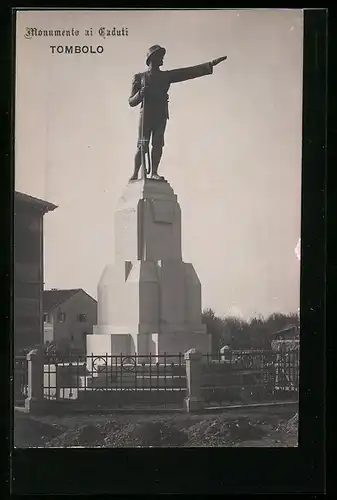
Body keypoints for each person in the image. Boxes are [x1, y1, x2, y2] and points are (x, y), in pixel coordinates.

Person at [128, 45, 227, 181]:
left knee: (158, 143)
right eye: (159, 56)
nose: (162, 58)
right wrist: (140, 94)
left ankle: (154, 172)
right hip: (146, 114)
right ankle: (135, 173)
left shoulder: (166, 76)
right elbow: (131, 101)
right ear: (152, 59)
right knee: (142, 144)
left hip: (160, 115)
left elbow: (186, 72)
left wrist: (209, 65)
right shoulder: (139, 78)